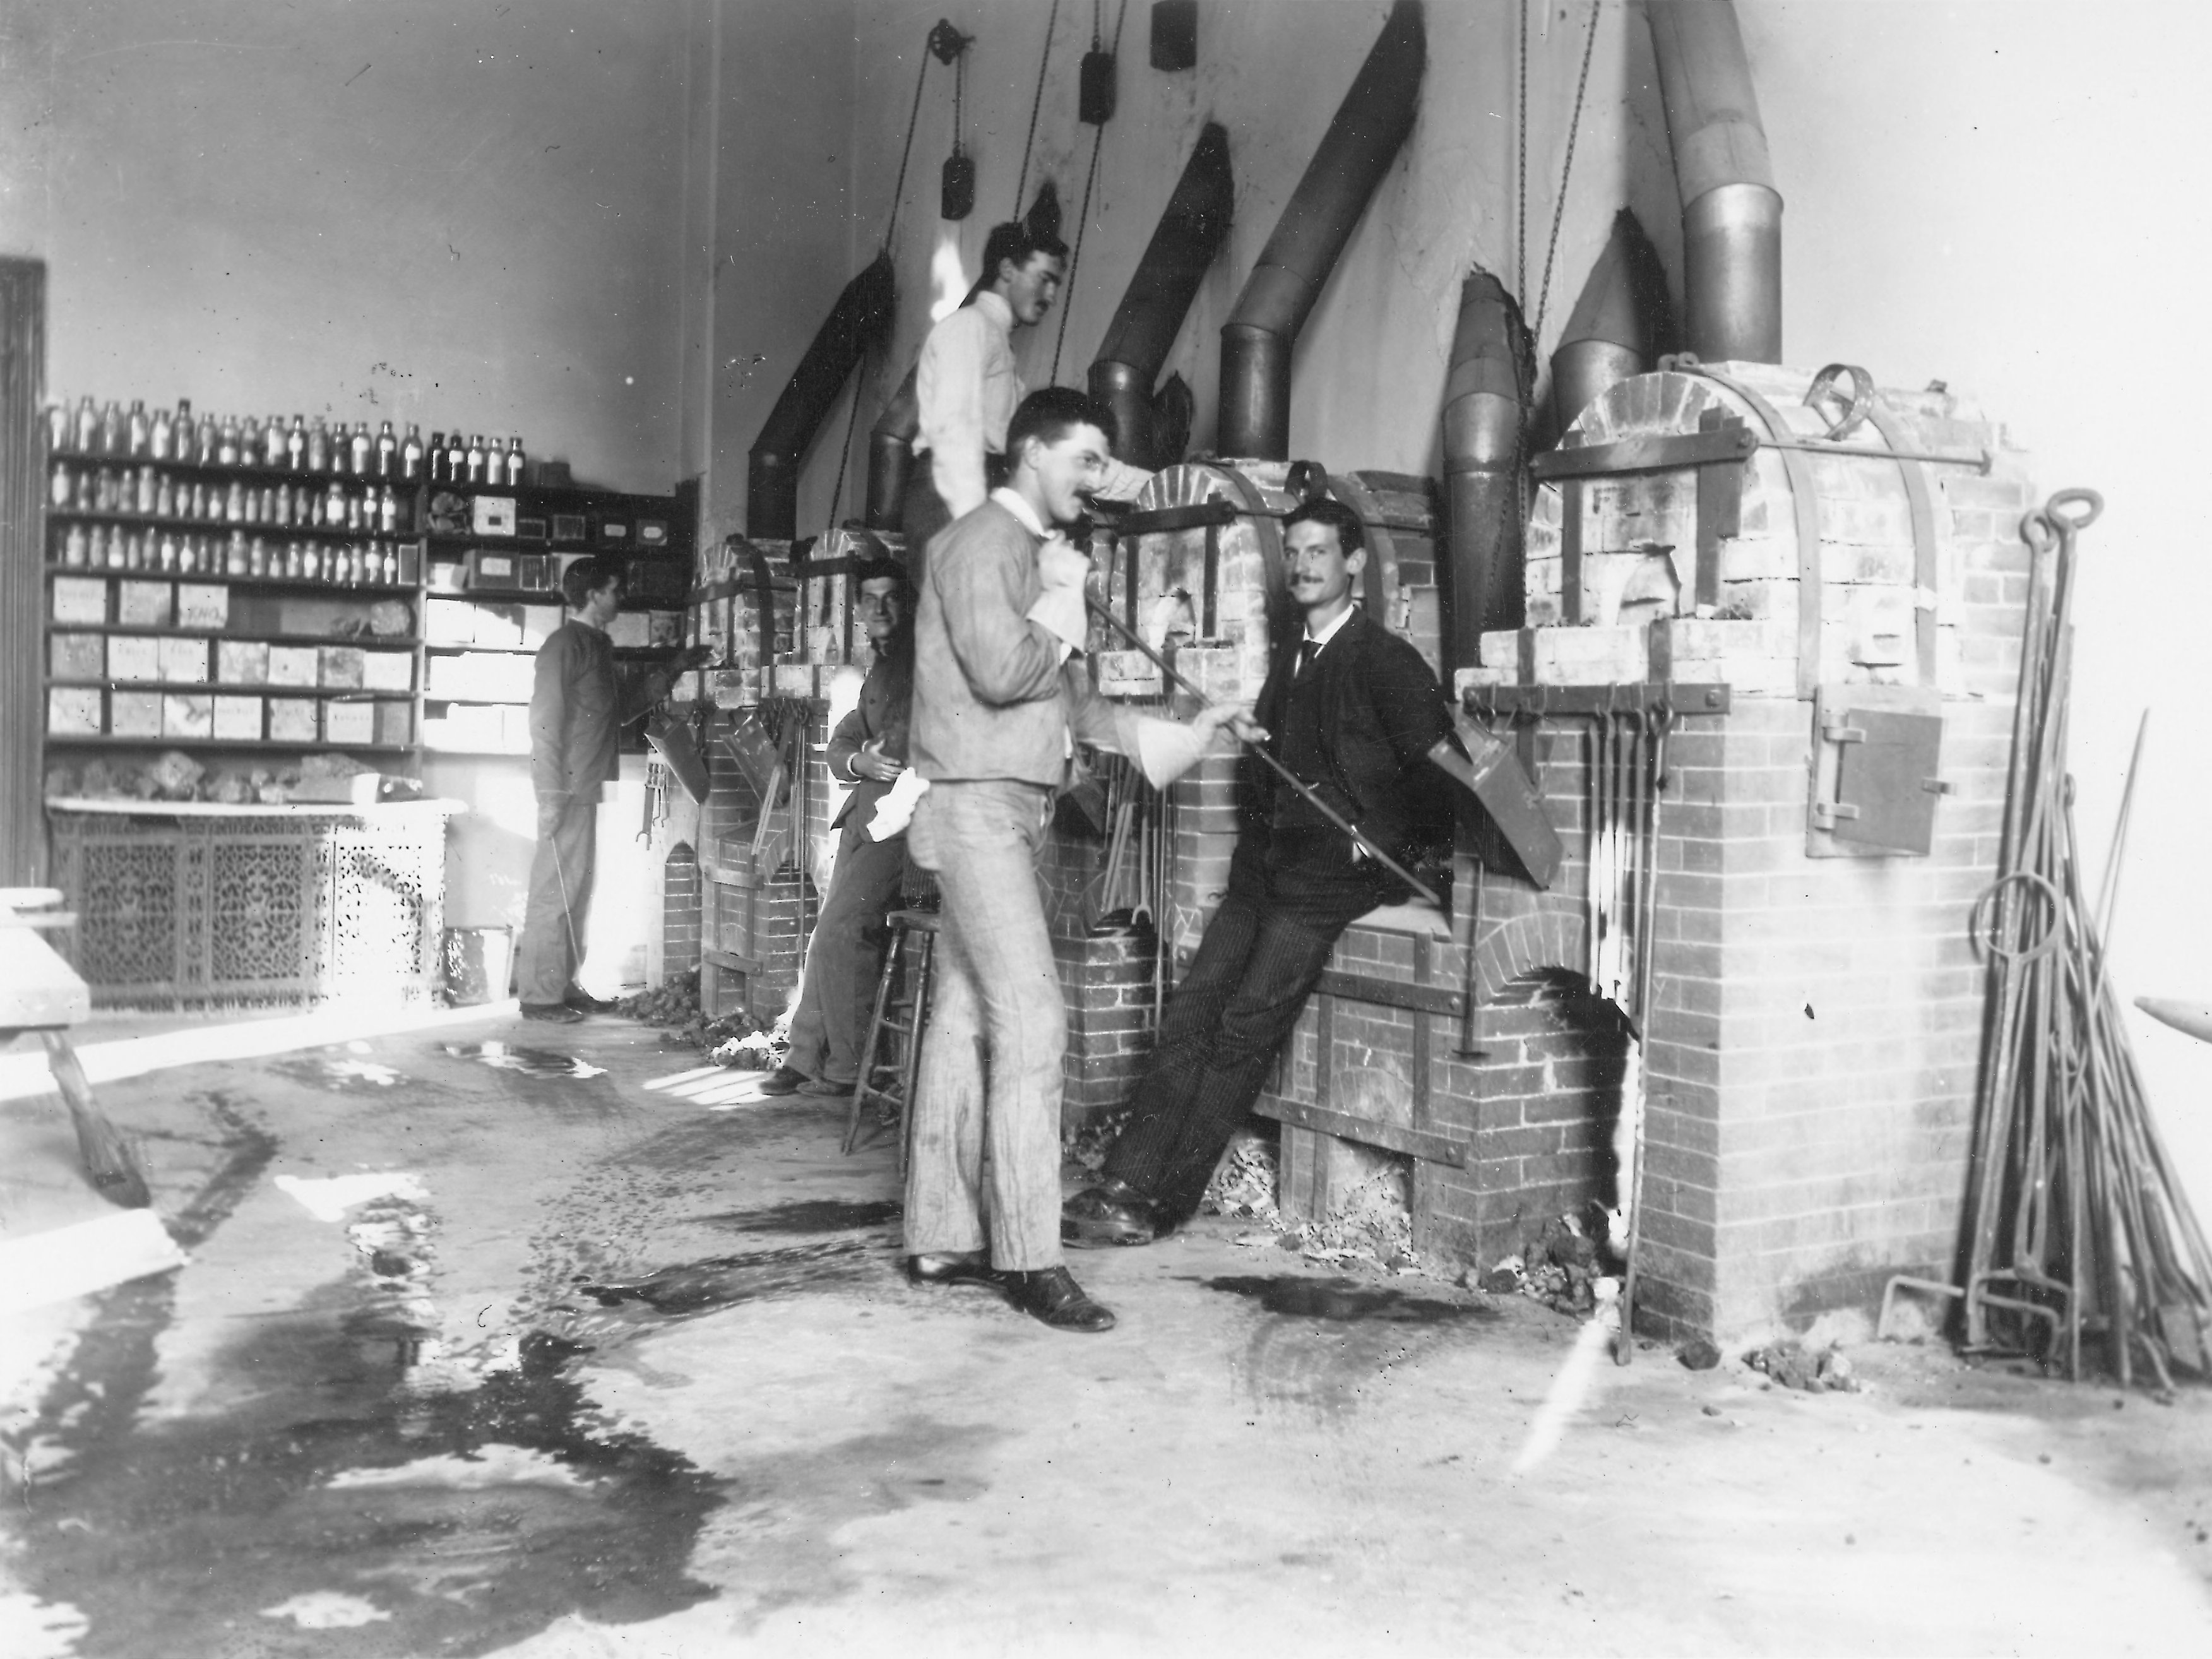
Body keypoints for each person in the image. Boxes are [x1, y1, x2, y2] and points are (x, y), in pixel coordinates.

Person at [903, 386, 1260, 1333]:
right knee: (1036, 1020)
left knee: (967, 1012)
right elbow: (1003, 671)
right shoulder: (983, 543)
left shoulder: (1028, 554)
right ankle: (1030, 1259)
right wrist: (1063, 593)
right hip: (976, 807)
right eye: (1086, 460)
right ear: (1032, 455)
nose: (1097, 480)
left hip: (1010, 803)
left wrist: (1191, 729)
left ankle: (940, 1234)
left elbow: (1075, 705)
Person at [1062, 497, 1457, 1246]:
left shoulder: (1388, 662)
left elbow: (1439, 781)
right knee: (1190, 1011)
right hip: (1264, 872)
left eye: (1319, 553)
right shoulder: (1293, 654)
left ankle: (1163, 1201)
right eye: (1296, 553)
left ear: (1354, 563)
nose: (1305, 567)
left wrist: (1380, 845)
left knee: (1242, 1028)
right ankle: (1126, 1179)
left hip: (1327, 885)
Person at [518, 554, 710, 1023]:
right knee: (555, 891)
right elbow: (543, 724)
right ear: (593, 595)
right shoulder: (564, 646)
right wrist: (549, 795)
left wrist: (676, 666)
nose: (619, 597)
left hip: (585, 788)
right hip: (564, 791)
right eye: (613, 589)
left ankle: (564, 985)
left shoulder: (596, 646)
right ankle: (540, 999)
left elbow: (619, 709)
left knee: (579, 890)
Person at [758, 563, 915, 1099]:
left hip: (899, 827)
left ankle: (849, 1071)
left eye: (890, 598)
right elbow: (844, 741)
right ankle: (806, 1057)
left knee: (841, 933)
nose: (879, 609)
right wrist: (857, 762)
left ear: (909, 604)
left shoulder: (920, 666)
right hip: (862, 821)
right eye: (869, 600)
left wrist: (872, 760)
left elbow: (897, 750)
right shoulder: (881, 666)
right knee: (825, 936)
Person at [903, 219, 1148, 557]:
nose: (1051, 296)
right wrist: (977, 534)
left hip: (981, 497)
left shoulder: (999, 347)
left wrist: (1162, 483)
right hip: (949, 503)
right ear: (1007, 269)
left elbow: (1060, 456)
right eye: (1044, 279)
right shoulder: (968, 328)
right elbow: (954, 439)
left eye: (1056, 285)